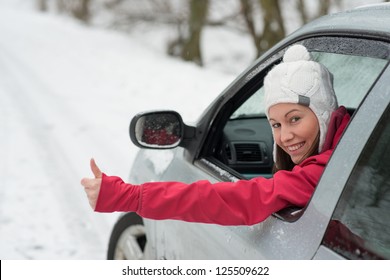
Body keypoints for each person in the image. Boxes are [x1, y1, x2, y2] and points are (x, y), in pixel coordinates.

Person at [81, 45, 350, 226]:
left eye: (295, 119)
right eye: (276, 125)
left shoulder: (321, 173)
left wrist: (131, 197)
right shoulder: (356, 141)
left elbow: (228, 200)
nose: (286, 136)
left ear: (323, 113)